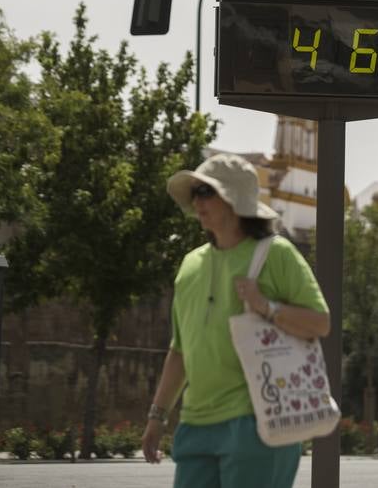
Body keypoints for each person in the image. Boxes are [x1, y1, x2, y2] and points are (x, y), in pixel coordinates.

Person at [141, 152, 330, 488]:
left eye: (205, 191)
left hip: (258, 423)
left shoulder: (277, 254)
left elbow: (320, 323)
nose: (196, 199)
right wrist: (157, 416)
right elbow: (180, 352)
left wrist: (265, 306)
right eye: (195, 191)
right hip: (195, 425)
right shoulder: (190, 266)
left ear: (234, 200)